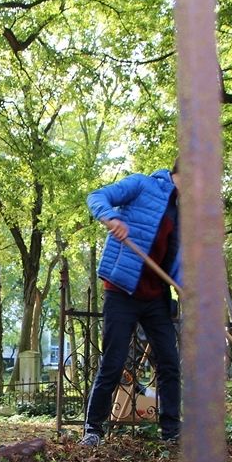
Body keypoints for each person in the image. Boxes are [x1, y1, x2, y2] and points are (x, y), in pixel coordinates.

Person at [80, 160, 182, 445]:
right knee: (113, 362)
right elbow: (97, 196)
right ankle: (93, 429)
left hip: (156, 296)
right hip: (122, 290)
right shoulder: (142, 185)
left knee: (169, 362)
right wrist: (111, 219)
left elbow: (179, 260)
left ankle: (172, 431)